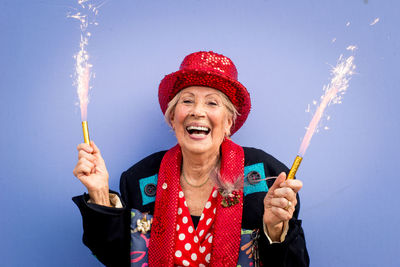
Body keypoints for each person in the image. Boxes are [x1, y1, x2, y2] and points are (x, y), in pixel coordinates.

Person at [73, 51, 309, 267]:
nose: (197, 111)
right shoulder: (139, 179)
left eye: (212, 103)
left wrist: (275, 228)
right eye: (187, 101)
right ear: (173, 118)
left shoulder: (268, 176)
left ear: (229, 122)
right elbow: (115, 258)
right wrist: (100, 194)